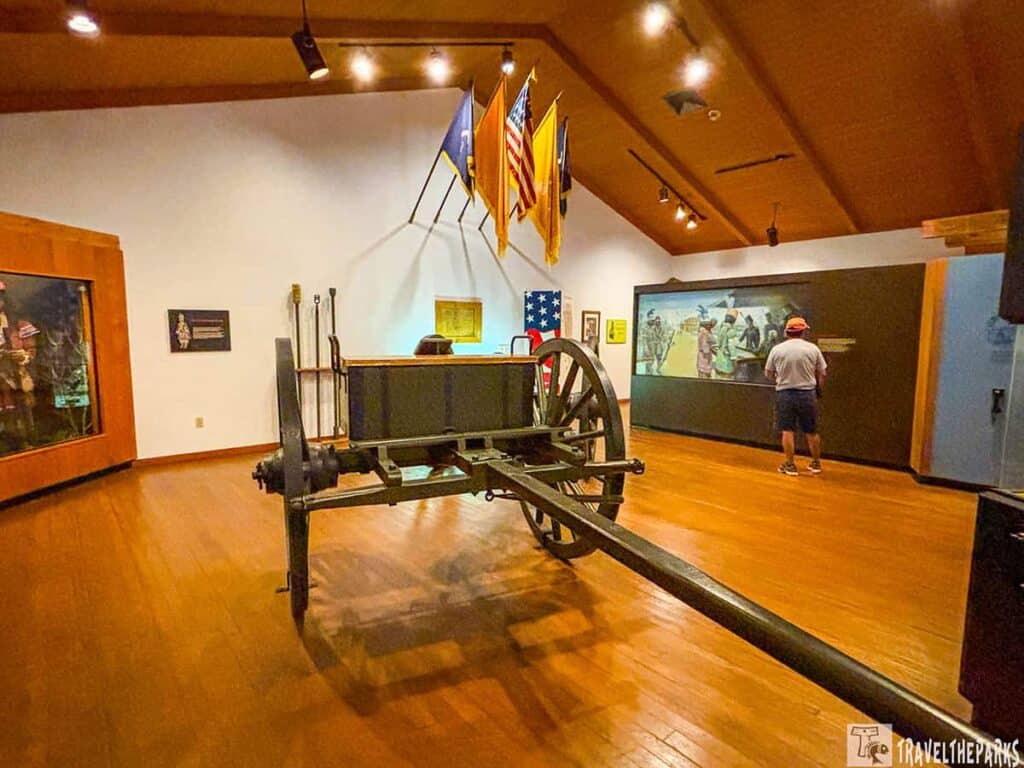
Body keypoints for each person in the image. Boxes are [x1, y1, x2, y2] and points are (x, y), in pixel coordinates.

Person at [764, 316, 827, 476]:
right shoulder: (812, 349)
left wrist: (779, 380)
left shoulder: (777, 349)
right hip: (807, 393)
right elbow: (822, 372)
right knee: (811, 430)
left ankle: (790, 465)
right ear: (804, 331)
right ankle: (816, 463)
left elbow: (768, 372)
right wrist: (818, 388)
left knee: (787, 430)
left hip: (785, 393)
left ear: (786, 332)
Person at [713, 312, 740, 379]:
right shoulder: (731, 330)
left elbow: (718, 343)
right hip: (727, 362)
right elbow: (731, 346)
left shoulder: (721, 328)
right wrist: (734, 358)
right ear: (733, 321)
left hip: (719, 360)